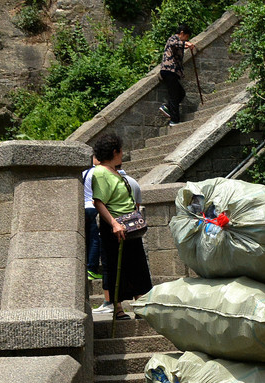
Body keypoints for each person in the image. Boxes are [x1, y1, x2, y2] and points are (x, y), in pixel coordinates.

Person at [91, 133, 153, 320]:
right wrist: (114, 224)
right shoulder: (101, 172)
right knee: (114, 264)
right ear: (115, 152)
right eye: (120, 151)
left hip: (129, 225)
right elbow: (99, 202)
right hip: (115, 225)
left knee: (137, 264)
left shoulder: (114, 171)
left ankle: (140, 305)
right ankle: (117, 308)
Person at [158, 24, 195, 126]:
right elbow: (175, 44)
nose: (186, 40)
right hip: (169, 71)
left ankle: (167, 107)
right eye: (186, 37)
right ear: (182, 33)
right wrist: (187, 44)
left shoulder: (179, 42)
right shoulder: (173, 38)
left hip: (173, 72)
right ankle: (174, 120)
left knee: (181, 93)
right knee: (174, 95)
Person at [82, 158, 102, 281]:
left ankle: (86, 266)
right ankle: (92, 268)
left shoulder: (84, 172)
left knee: (87, 238)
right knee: (96, 239)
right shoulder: (98, 173)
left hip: (83, 207)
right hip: (94, 207)